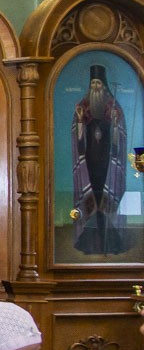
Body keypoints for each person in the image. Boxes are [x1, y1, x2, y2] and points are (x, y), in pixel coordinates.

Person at [72, 64, 128, 254]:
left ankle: (111, 244)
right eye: (93, 83)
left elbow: (117, 143)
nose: (96, 87)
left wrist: (115, 124)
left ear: (104, 86)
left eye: (99, 83)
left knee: (105, 202)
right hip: (89, 164)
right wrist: (80, 121)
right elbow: (79, 142)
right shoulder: (83, 107)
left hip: (107, 165)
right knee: (93, 200)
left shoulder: (113, 108)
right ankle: (90, 244)